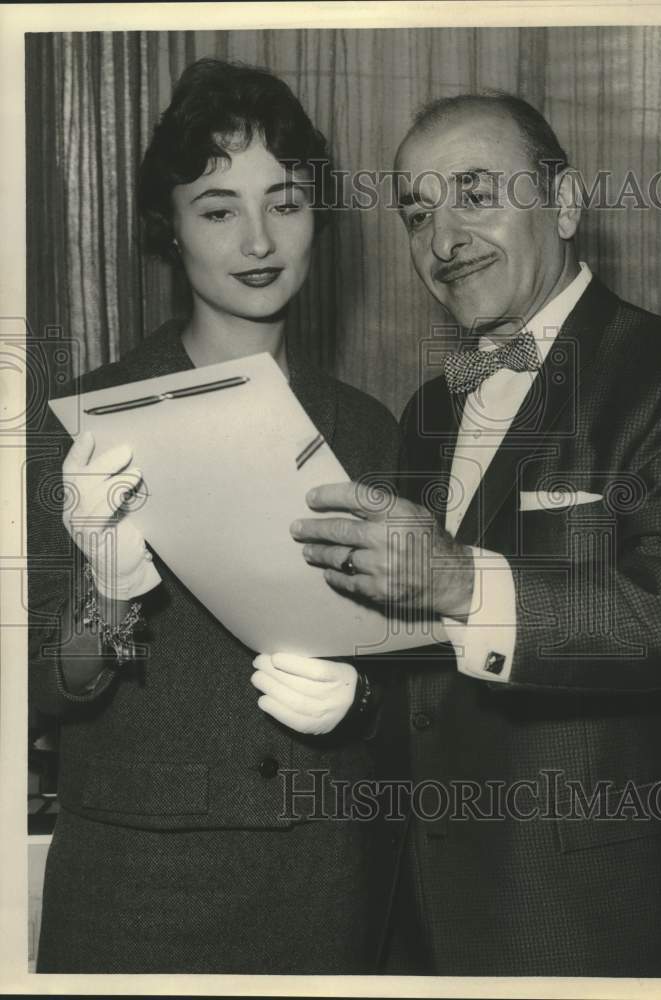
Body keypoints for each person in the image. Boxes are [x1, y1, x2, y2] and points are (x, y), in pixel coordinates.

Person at [290, 93, 661, 977]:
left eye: (475, 194)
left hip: (609, 924)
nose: (443, 240)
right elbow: (427, 665)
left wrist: (461, 581)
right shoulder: (428, 407)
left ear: (566, 203)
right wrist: (351, 689)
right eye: (419, 212)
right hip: (428, 917)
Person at [28, 58, 399, 974]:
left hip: (325, 881)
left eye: (284, 201)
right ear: (172, 232)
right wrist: (106, 596)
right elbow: (31, 688)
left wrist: (366, 702)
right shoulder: (79, 422)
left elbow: (425, 686)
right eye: (218, 208)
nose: (259, 240)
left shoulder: (370, 428)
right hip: (138, 885)